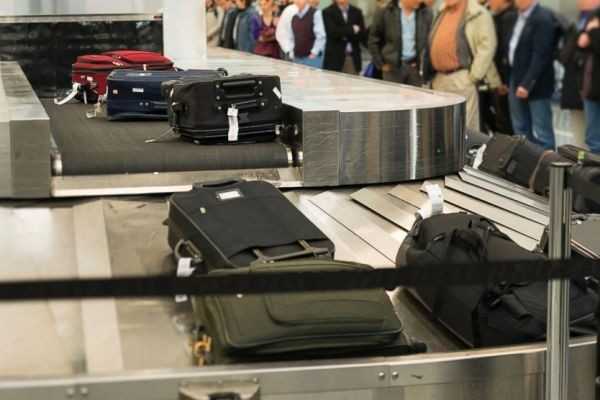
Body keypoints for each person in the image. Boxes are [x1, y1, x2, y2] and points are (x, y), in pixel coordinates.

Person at [426, 0, 500, 131]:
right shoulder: (441, 11)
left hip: (462, 79)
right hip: (439, 79)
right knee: (442, 128)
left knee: (465, 130)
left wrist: (473, 77)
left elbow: (487, 47)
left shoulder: (478, 13)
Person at [507, 0, 557, 149]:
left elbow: (541, 55)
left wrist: (527, 83)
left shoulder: (543, 18)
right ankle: (525, 160)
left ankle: (548, 163)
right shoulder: (516, 17)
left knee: (542, 132)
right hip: (515, 77)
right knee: (520, 127)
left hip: (537, 83)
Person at [368, 0, 432, 85]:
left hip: (415, 69)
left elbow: (429, 40)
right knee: (392, 93)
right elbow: (373, 39)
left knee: (415, 93)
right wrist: (381, 64)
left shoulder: (426, 12)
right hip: (392, 69)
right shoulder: (385, 11)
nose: (420, 1)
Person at [487, 0, 517, 134]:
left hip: (504, 80)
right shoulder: (498, 17)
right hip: (499, 77)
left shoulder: (509, 17)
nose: (490, 2)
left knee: (507, 121)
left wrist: (503, 81)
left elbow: (505, 51)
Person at [275, 0, 327, 68]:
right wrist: (290, 52)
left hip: (311, 58)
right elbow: (282, 34)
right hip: (295, 56)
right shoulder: (291, 12)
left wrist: (314, 53)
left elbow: (321, 36)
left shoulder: (316, 12)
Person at [322, 0, 366, 74]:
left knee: (352, 80)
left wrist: (342, 32)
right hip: (334, 58)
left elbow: (361, 34)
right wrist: (352, 29)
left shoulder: (357, 12)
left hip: (352, 57)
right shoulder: (327, 12)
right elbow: (333, 33)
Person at [578, 7, 600, 153]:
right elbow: (581, 43)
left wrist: (593, 31)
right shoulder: (594, 16)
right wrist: (589, 31)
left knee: (595, 140)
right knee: (592, 139)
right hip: (590, 89)